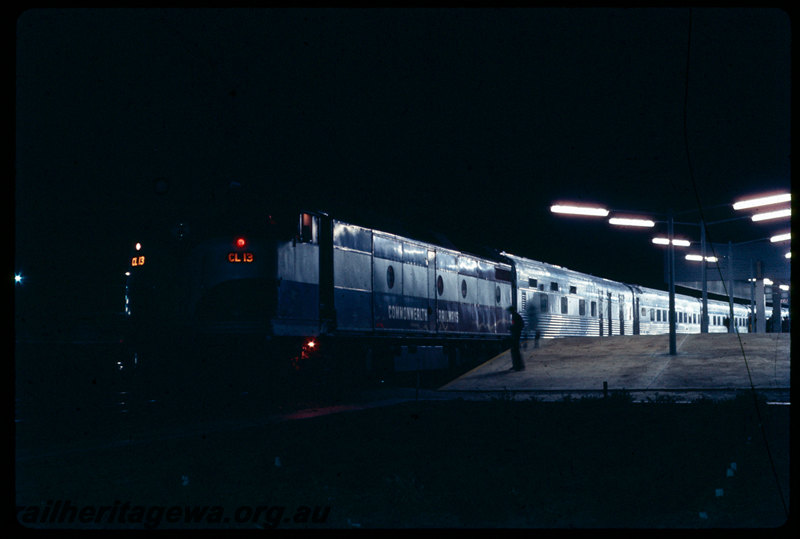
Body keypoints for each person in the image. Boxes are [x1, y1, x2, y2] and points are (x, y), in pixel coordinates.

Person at [509, 306, 525, 371]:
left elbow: (518, 325)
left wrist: (513, 328)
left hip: (516, 335)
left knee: (515, 351)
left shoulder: (516, 316)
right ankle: (516, 365)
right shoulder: (516, 316)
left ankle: (518, 366)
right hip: (515, 335)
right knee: (515, 351)